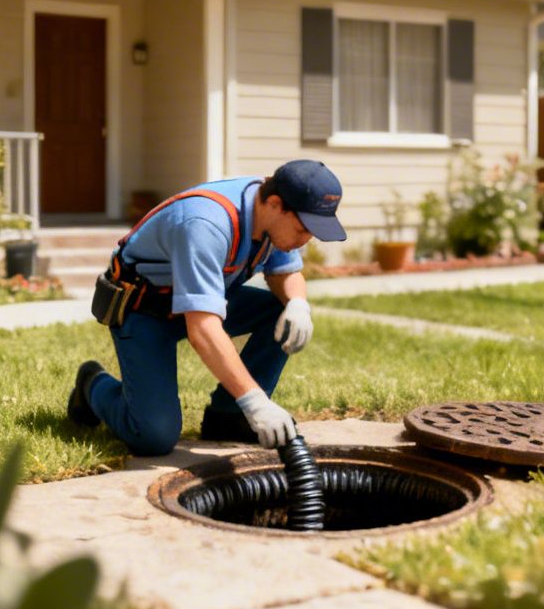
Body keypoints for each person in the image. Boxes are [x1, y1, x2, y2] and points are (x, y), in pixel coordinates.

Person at [67, 160, 348, 456]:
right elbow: (203, 329)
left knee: (283, 311)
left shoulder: (271, 212)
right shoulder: (205, 224)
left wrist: (298, 304)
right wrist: (255, 401)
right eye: (304, 228)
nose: (307, 239)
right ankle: (92, 384)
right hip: (145, 311)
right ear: (276, 204)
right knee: (153, 436)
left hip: (200, 301)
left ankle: (227, 417)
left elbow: (284, 273)